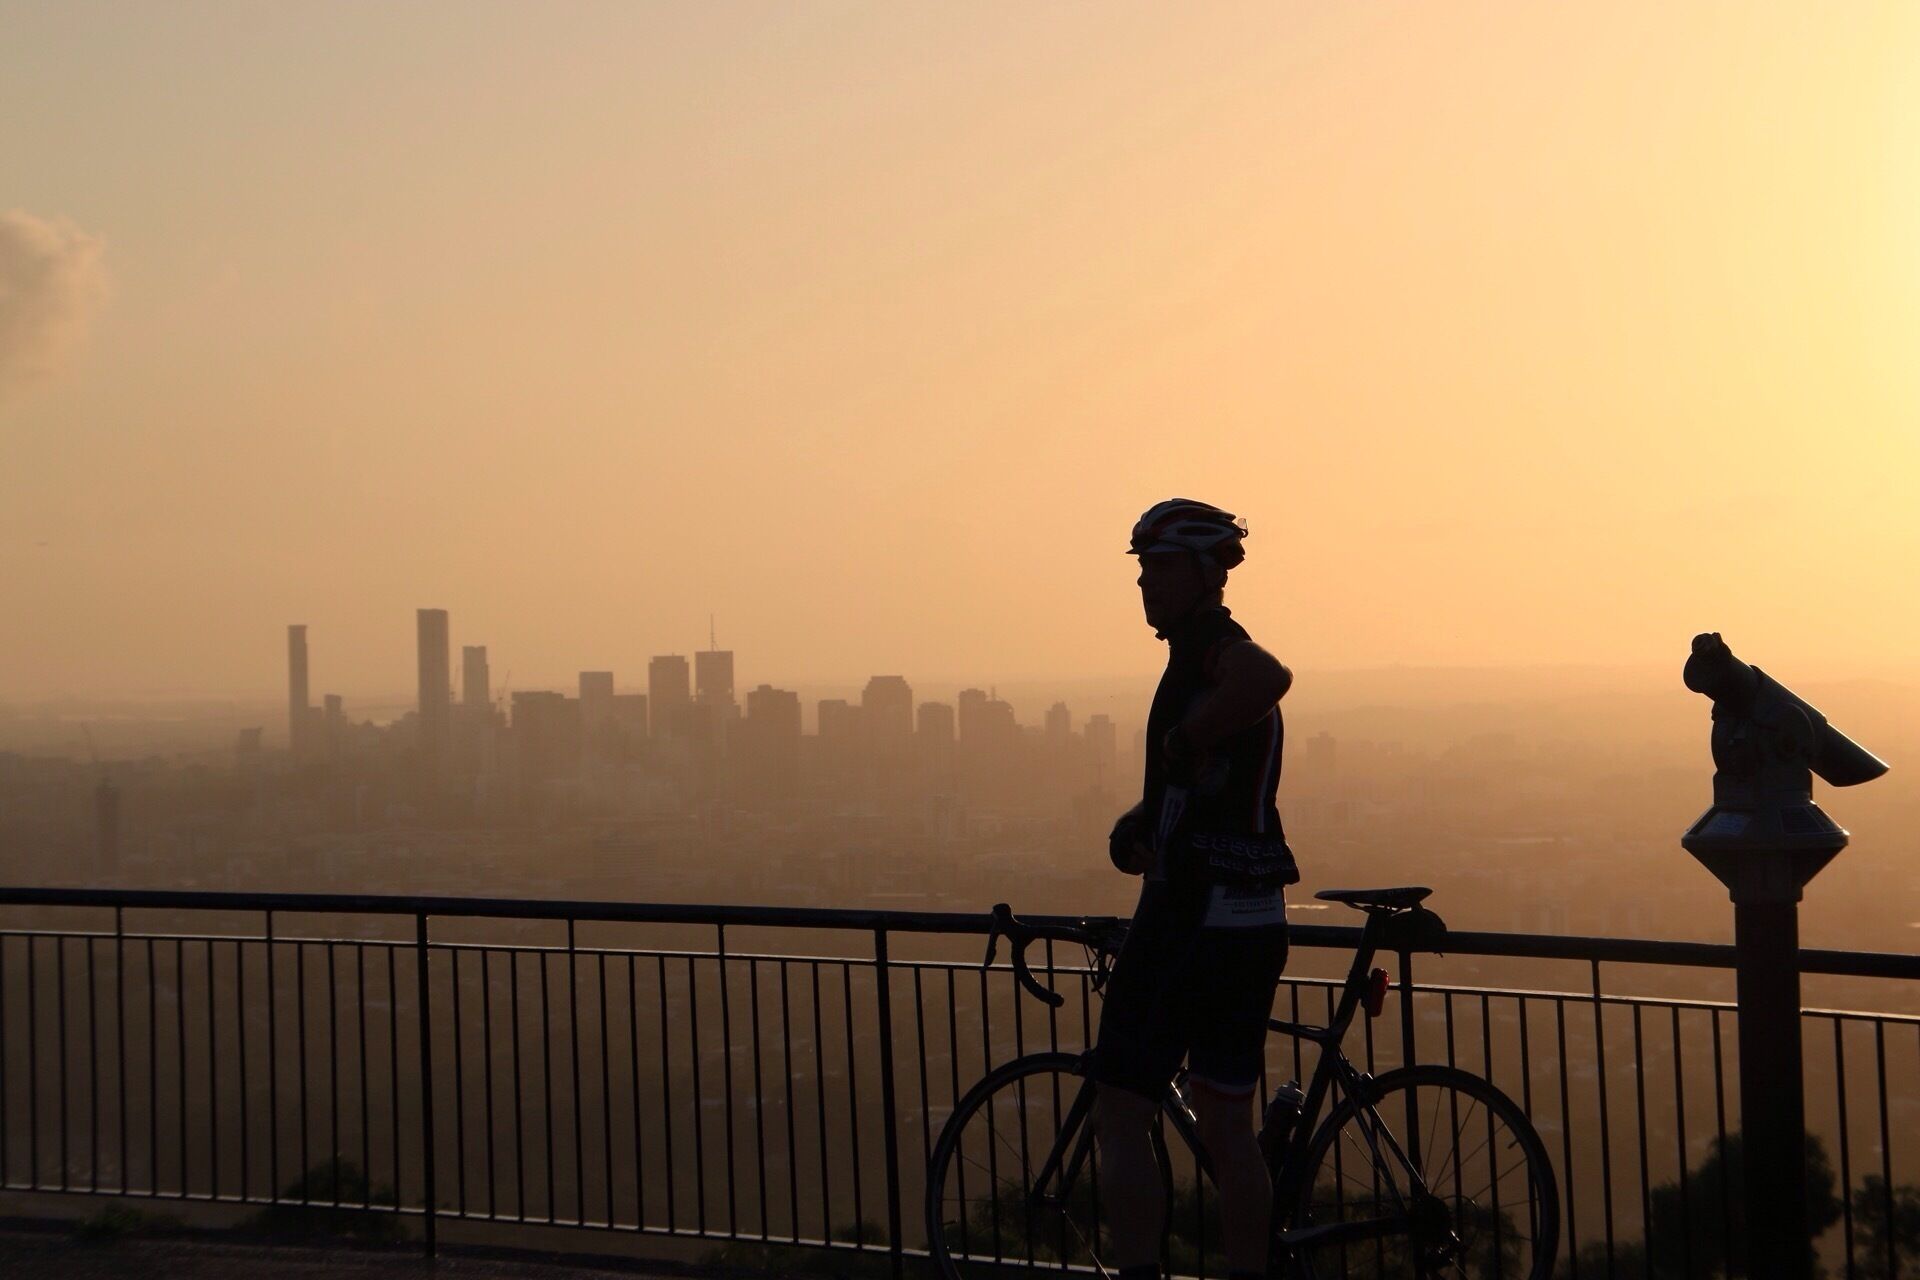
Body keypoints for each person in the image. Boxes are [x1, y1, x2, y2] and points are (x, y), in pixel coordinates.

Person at [1089, 498, 1297, 1280]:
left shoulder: (1213, 647)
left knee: (1120, 1107)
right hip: (1251, 913)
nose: (1147, 584)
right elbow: (1210, 785)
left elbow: (1268, 676)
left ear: (1206, 572)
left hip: (1189, 919)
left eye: (1161, 568)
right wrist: (1147, 815)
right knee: (1227, 1129)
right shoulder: (1195, 662)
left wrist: (1184, 736)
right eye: (1142, 570)